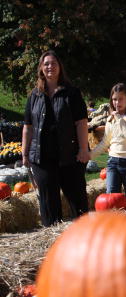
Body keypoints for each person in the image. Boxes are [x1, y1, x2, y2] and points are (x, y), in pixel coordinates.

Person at [22, 50, 89, 226]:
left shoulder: (72, 93)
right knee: (48, 205)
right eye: (46, 64)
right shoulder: (34, 96)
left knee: (78, 202)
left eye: (53, 63)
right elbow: (28, 127)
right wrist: (25, 153)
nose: (50, 66)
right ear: (41, 69)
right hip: (42, 159)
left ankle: (84, 238)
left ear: (60, 67)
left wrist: (83, 149)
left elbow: (81, 123)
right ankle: (52, 244)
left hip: (70, 156)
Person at [91, 83, 126, 203]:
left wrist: (118, 118)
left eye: (120, 99)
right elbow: (105, 142)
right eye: (114, 99)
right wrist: (89, 155)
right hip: (113, 162)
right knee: (111, 200)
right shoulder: (111, 119)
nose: (117, 102)